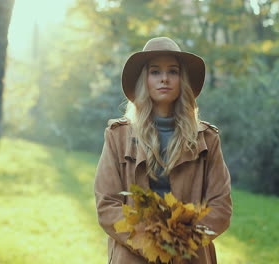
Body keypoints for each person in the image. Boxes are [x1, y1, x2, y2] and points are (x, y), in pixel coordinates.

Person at [94, 36, 232, 264]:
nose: (164, 79)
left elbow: (221, 207)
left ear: (182, 79)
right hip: (133, 254)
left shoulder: (207, 138)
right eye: (155, 72)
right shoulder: (118, 136)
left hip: (189, 255)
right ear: (144, 80)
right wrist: (150, 240)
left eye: (173, 72)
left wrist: (180, 241)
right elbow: (107, 203)